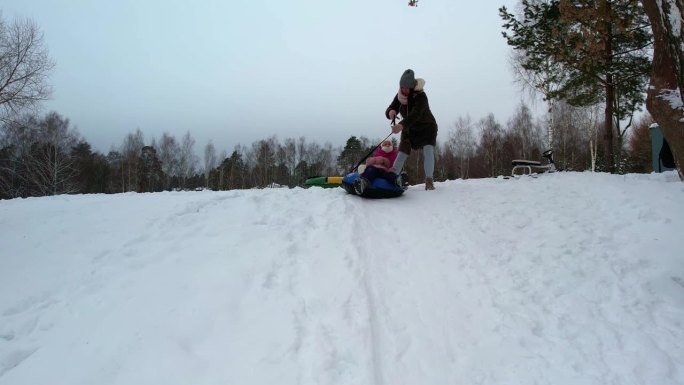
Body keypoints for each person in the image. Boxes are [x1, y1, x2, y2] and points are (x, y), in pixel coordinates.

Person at [386, 69, 438, 190]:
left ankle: (429, 181)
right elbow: (391, 107)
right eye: (402, 87)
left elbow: (416, 114)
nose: (404, 90)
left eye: (406, 88)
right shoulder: (399, 95)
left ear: (411, 86)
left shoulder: (421, 96)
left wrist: (401, 125)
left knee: (428, 149)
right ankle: (392, 178)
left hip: (427, 127)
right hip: (409, 128)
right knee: (402, 152)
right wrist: (391, 112)